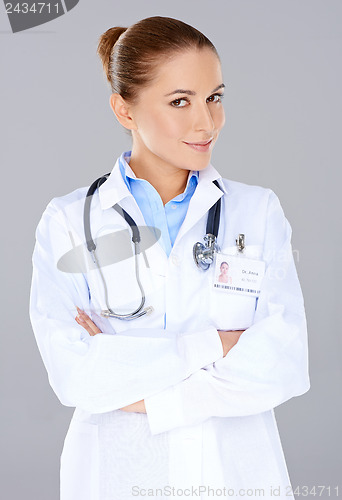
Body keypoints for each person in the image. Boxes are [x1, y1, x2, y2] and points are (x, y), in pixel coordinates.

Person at [29, 16, 310, 500]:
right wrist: (214, 346)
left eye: (214, 98)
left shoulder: (256, 212)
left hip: (237, 476)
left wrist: (135, 383)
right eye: (180, 101)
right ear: (124, 110)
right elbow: (77, 375)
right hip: (118, 475)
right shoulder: (70, 222)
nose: (206, 122)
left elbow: (283, 362)